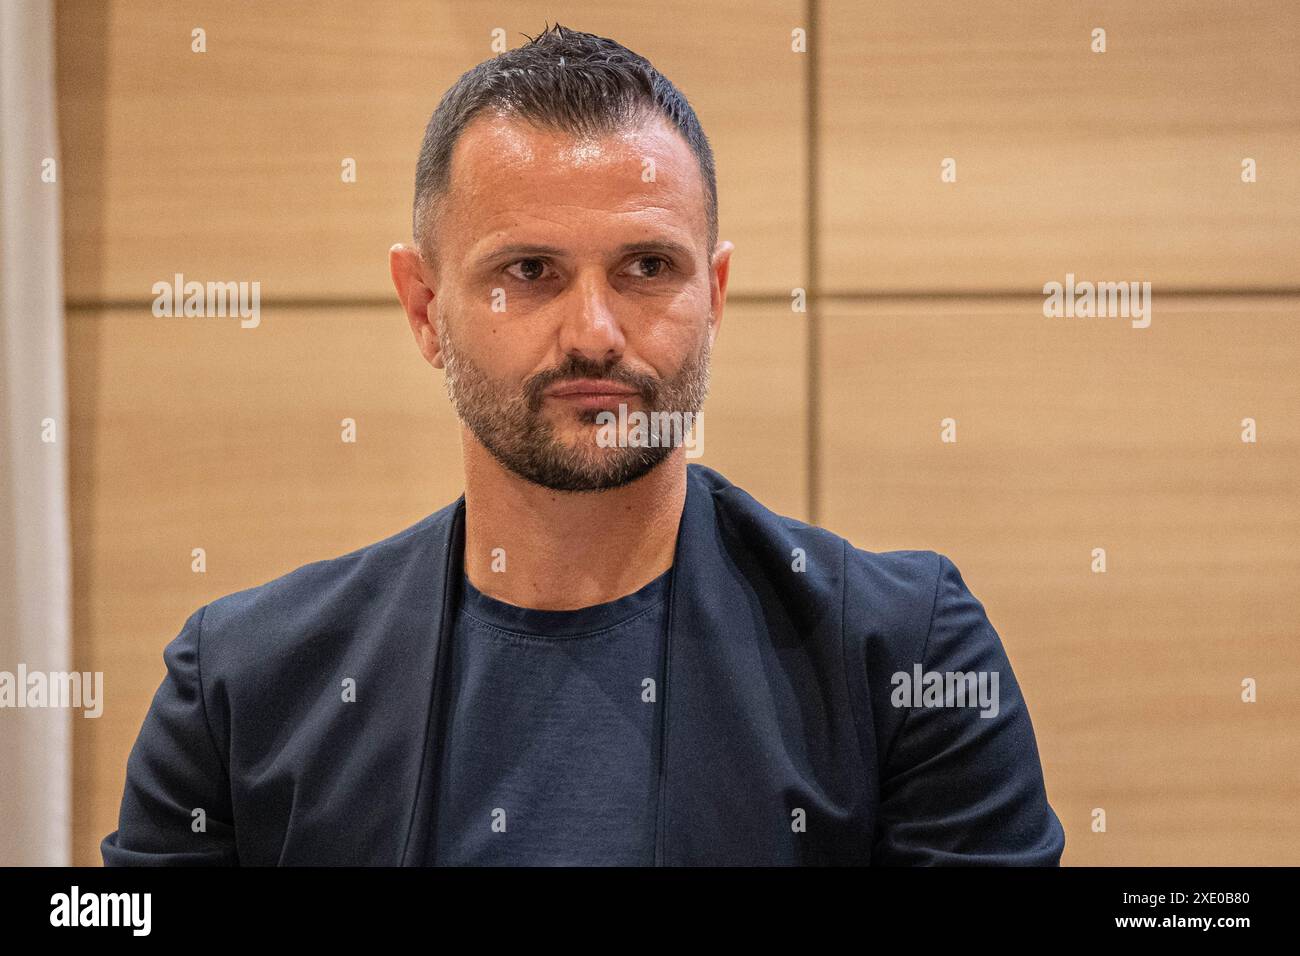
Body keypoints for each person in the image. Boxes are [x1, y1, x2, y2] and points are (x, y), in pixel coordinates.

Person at [102, 23, 1065, 866]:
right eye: (529, 271)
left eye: (649, 267)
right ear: (425, 309)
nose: (596, 331)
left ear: (715, 297)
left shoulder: (902, 658)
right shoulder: (239, 690)